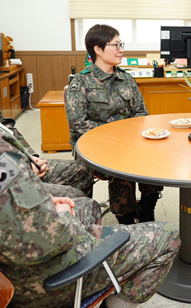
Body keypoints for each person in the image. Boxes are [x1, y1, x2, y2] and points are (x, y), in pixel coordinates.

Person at [0, 0, 181, 308]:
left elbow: (0, 203)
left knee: (81, 203)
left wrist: (42, 201)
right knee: (167, 235)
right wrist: (56, 214)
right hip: (32, 279)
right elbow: (49, 241)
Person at [66, 24, 163, 225]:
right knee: (123, 167)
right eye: (116, 45)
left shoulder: (126, 79)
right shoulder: (81, 82)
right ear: (98, 49)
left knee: (154, 158)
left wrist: (130, 137)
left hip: (128, 142)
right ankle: (125, 219)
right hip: (95, 146)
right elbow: (78, 123)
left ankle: (147, 210)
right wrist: (115, 137)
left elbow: (141, 114)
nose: (121, 49)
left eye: (121, 44)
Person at [0, 87, 95, 199]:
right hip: (1, 180)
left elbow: (6, 127)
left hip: (18, 161)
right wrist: (23, 166)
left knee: (82, 170)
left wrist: (31, 157)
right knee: (78, 198)